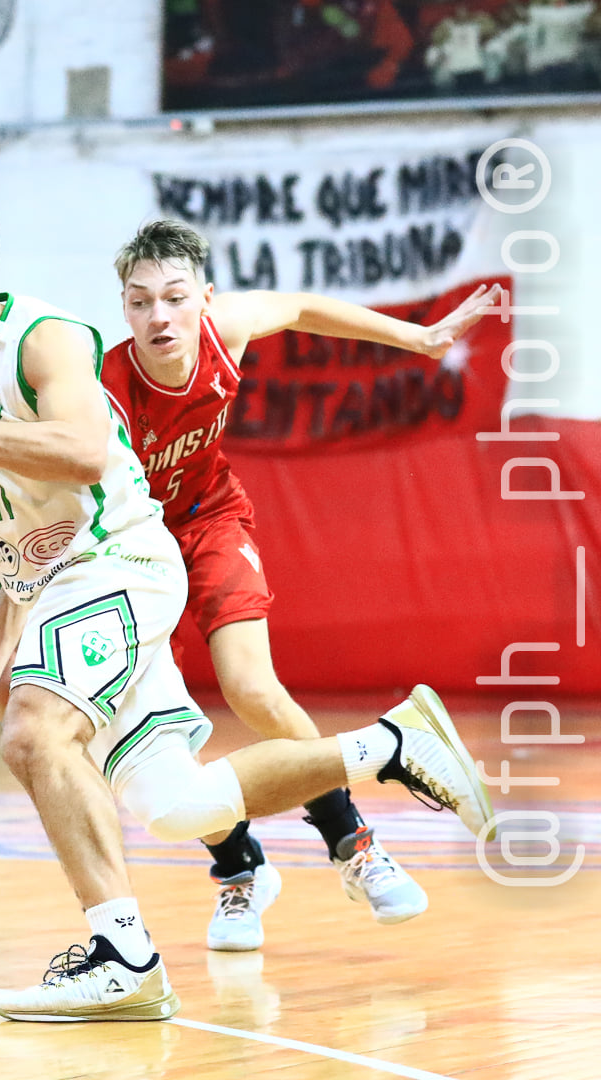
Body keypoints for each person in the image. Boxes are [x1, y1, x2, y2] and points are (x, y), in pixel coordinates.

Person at [0, 184, 494, 1022]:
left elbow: (81, 453)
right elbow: (8, 536)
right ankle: (391, 743)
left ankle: (130, 951)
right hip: (65, 576)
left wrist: (416, 334)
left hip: (122, 559)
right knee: (176, 806)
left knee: (44, 733)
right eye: (140, 301)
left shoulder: (46, 341)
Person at [99, 220, 503, 949]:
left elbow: (306, 306)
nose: (159, 316)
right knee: (152, 735)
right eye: (139, 302)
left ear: (205, 299)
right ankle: (239, 868)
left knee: (252, 690)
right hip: (131, 550)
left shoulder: (227, 330)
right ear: (123, 310)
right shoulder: (102, 386)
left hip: (210, 518)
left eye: (174, 297)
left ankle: (356, 846)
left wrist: (419, 339)